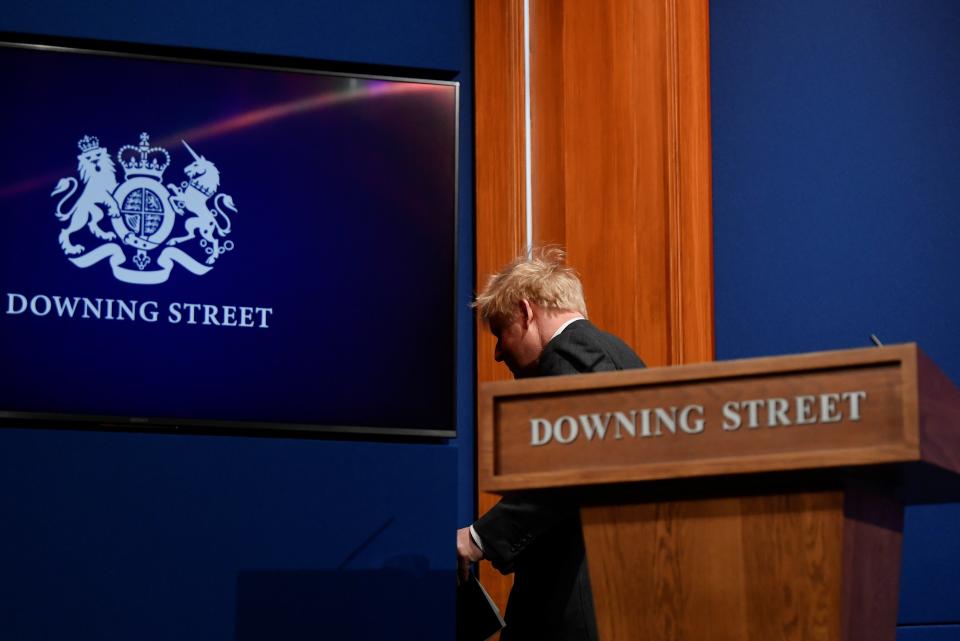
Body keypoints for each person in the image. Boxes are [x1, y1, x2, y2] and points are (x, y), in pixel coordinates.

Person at [457, 247, 645, 641]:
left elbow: (572, 468)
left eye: (500, 333)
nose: (497, 352)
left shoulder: (571, 352)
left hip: (573, 613)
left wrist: (478, 539)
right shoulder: (619, 354)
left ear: (526, 312)